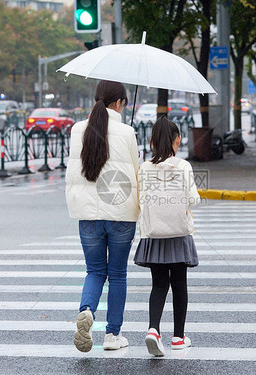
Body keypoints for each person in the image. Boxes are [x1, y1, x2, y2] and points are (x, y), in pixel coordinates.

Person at [65, 80, 139, 352]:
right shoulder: (127, 132)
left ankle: (87, 310)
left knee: (95, 271)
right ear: (119, 103)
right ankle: (112, 335)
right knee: (117, 274)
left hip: (88, 214)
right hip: (120, 213)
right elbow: (135, 172)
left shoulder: (76, 130)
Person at [133, 116, 201, 357]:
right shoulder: (183, 166)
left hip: (154, 235)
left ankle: (153, 330)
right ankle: (179, 337)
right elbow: (194, 200)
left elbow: (140, 202)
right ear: (177, 140)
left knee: (159, 284)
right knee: (179, 285)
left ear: (152, 141)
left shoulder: (144, 168)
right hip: (179, 233)